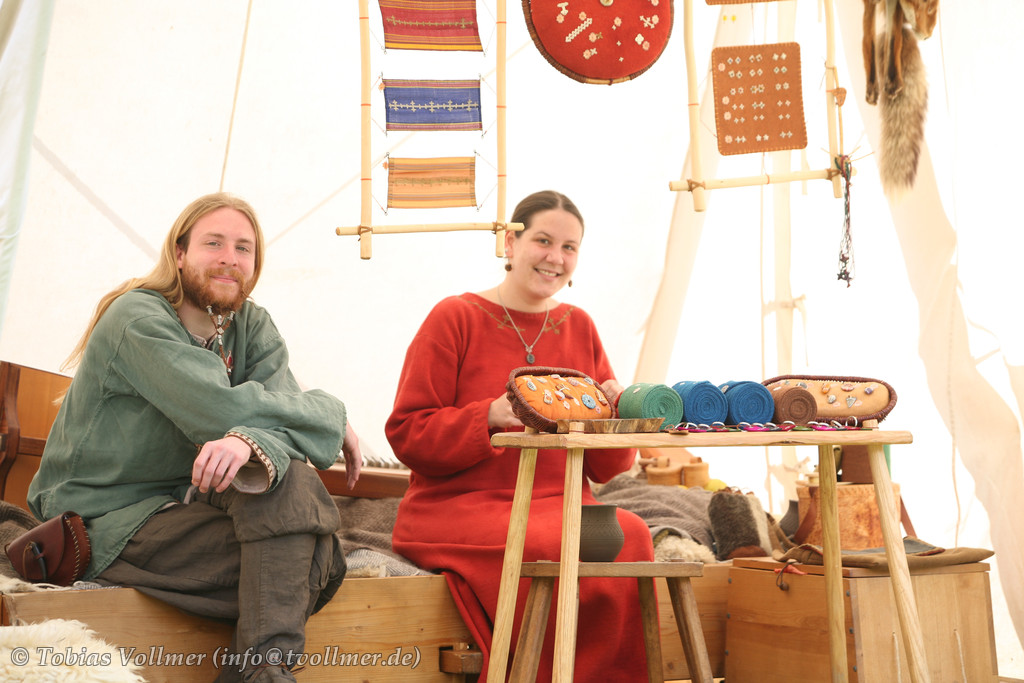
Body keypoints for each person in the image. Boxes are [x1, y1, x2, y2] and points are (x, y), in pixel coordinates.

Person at [28, 192, 362, 683]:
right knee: (315, 560)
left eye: (244, 248)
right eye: (214, 243)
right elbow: (220, 409)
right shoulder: (137, 317)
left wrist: (246, 442)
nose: (230, 257)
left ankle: (260, 673)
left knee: (290, 484)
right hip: (107, 514)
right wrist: (331, 412)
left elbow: (276, 417)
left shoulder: (251, 324)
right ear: (180, 253)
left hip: (191, 497)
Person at [385, 190, 654, 681]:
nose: (556, 258)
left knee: (630, 534)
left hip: (562, 502)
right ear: (510, 243)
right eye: (543, 241)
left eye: (569, 247)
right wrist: (485, 417)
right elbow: (407, 433)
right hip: (459, 506)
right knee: (545, 542)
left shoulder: (580, 326)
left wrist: (616, 418)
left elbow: (608, 467)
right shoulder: (455, 316)